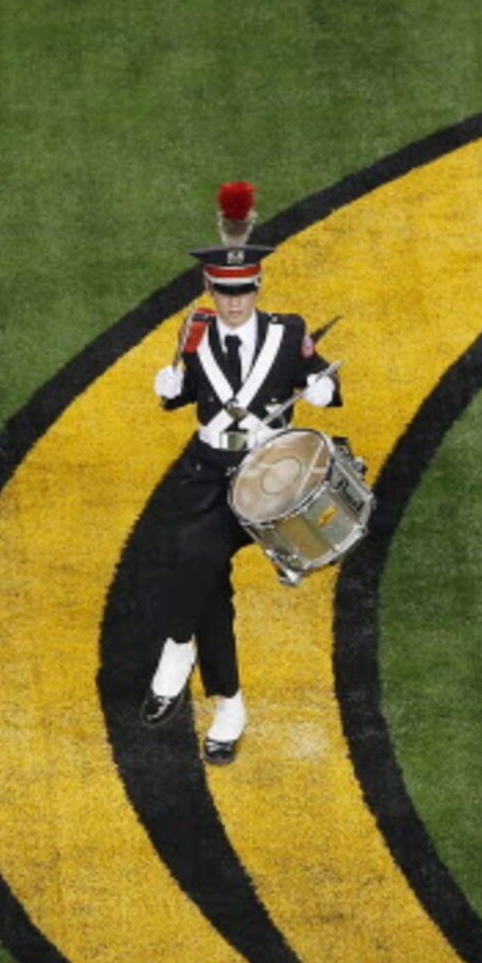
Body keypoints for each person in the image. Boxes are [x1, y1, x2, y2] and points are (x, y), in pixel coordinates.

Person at [144, 182, 340, 764]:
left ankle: (176, 650)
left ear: (258, 286)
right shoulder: (194, 333)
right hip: (207, 468)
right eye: (225, 292)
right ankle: (228, 705)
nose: (235, 302)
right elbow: (181, 399)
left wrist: (324, 387)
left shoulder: (287, 333)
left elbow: (326, 386)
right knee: (205, 579)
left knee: (197, 557)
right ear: (210, 288)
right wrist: (171, 390)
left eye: (244, 291)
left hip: (268, 472)